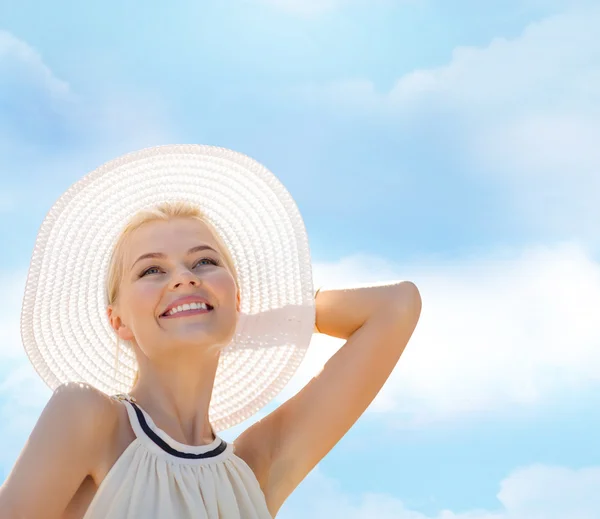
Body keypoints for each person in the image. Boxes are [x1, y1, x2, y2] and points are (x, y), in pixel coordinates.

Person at [0, 145, 421, 518]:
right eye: (152, 269)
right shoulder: (88, 417)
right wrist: (204, 308)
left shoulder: (255, 469)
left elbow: (396, 305)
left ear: (237, 297)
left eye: (204, 262)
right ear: (118, 321)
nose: (183, 277)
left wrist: (245, 317)